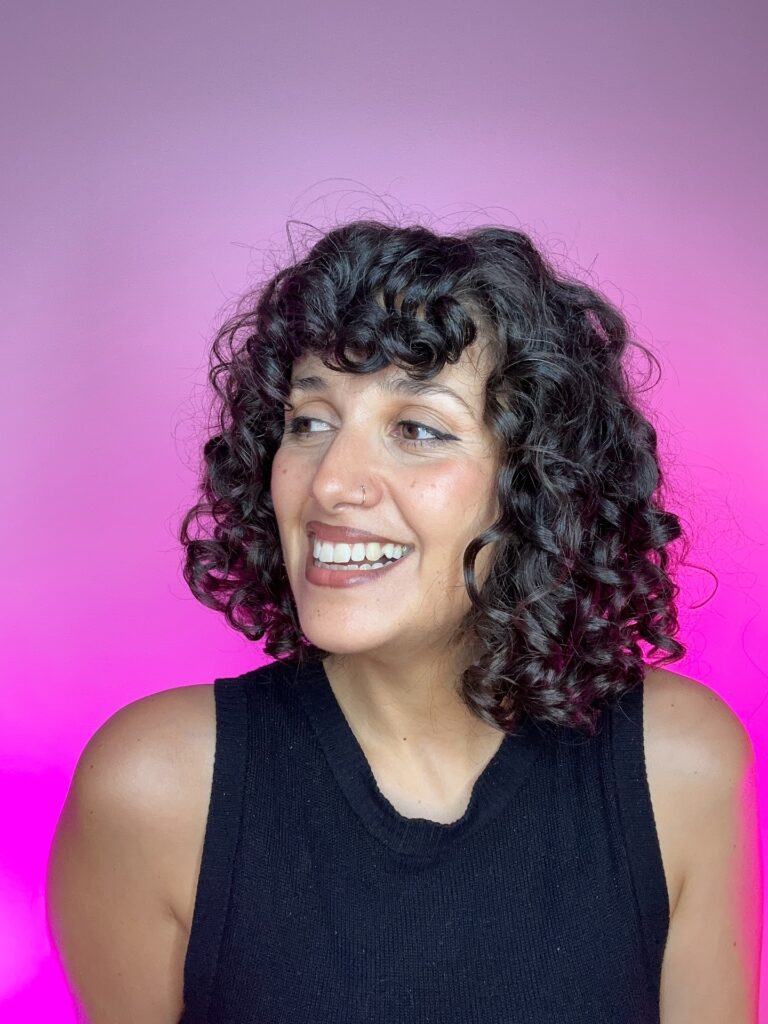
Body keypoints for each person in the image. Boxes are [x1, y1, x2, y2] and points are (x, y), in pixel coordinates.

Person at [46, 219, 762, 1023]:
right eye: (309, 421)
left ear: (538, 482)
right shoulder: (156, 791)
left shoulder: (679, 769)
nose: (329, 486)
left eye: (417, 430)